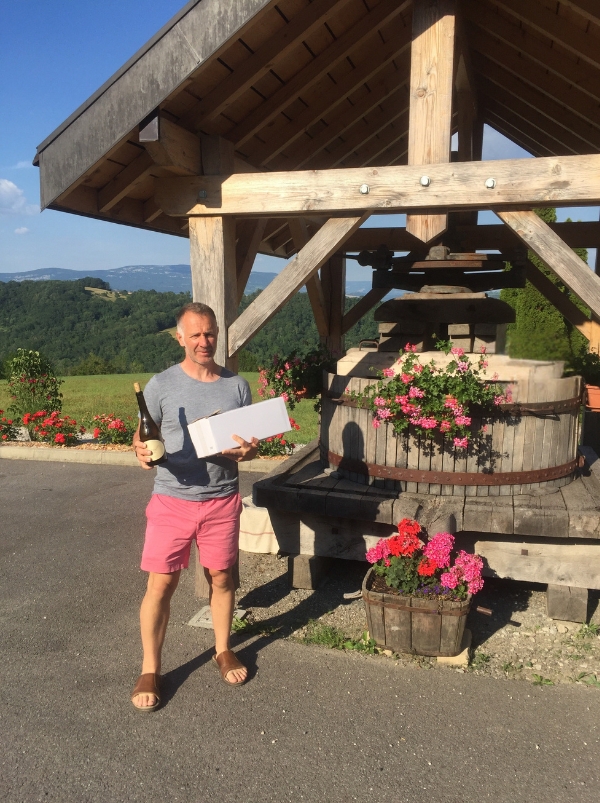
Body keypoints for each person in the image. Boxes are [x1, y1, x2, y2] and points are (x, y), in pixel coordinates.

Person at [131, 301, 258, 712]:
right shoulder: (160, 385)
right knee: (161, 585)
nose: (204, 342)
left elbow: (247, 444)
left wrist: (248, 452)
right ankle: (151, 668)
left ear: (217, 334)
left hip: (222, 499)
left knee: (222, 579)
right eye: (196, 334)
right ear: (180, 337)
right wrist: (140, 450)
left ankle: (222, 649)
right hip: (172, 500)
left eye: (211, 333)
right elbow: (141, 437)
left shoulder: (237, 386)